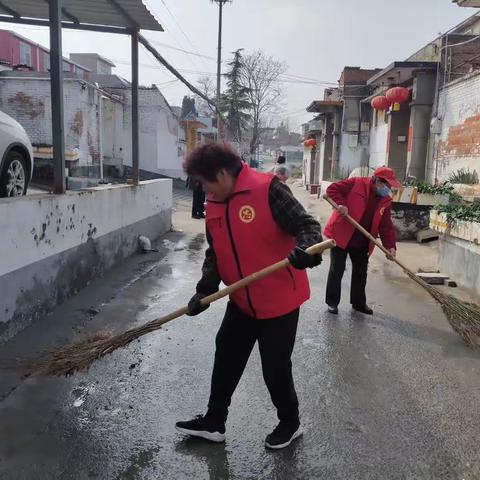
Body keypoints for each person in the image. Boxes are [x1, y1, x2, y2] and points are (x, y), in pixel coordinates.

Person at [176, 142, 323, 450]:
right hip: (242, 300)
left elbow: (307, 226)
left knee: (274, 366)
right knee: (226, 354)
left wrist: (305, 251)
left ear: (222, 173)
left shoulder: (267, 189)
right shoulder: (216, 202)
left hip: (279, 299)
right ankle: (214, 422)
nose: (203, 191)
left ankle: (290, 422)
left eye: (204, 183)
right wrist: (204, 289)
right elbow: (216, 252)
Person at [323, 166, 401, 315]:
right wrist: (341, 204)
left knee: (361, 272)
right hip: (342, 234)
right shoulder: (356, 183)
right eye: (387, 185)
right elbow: (332, 189)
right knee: (336, 269)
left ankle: (358, 303)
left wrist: (390, 246)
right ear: (377, 181)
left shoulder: (385, 200)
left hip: (363, 239)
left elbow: (386, 226)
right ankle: (332, 302)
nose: (389, 189)